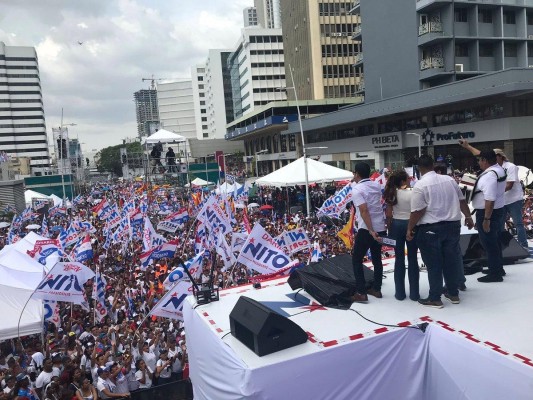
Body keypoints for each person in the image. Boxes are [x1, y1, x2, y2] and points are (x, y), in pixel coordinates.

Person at [407, 155, 474, 308]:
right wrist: (468, 217)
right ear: (433, 165)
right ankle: (453, 293)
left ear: (419, 168)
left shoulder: (420, 185)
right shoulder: (449, 180)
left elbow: (418, 210)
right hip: (453, 226)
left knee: (434, 264)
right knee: (451, 262)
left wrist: (410, 228)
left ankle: (435, 297)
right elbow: (461, 200)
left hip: (431, 229)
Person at [459, 139, 528, 249]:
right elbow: (480, 154)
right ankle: (503, 247)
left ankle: (523, 245)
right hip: (501, 201)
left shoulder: (510, 167)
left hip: (513, 199)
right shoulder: (495, 168)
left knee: (518, 223)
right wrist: (467, 146)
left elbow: (509, 185)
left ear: (500, 156)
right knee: (500, 226)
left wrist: (491, 192)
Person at [350, 162, 387, 303]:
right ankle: (376, 289)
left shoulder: (357, 189)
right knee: (377, 258)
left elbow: (364, 210)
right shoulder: (376, 185)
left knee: (356, 259)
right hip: (381, 226)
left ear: (357, 174)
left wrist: (371, 230)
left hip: (367, 229)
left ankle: (361, 292)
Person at [470, 150, 507, 282]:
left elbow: (489, 200)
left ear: (485, 160)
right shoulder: (499, 169)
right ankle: (497, 267)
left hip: (488, 213)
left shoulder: (489, 176)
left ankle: (495, 273)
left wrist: (486, 219)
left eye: (480, 160)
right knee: (495, 241)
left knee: (489, 243)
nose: (478, 162)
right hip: (498, 210)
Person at [384, 170, 419, 301]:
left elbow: (388, 214)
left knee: (399, 259)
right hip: (411, 224)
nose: (410, 180)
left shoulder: (392, 193)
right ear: (403, 181)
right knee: (413, 258)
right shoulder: (413, 192)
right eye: (408, 178)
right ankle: (415, 294)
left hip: (396, 225)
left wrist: (389, 228)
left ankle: (400, 293)